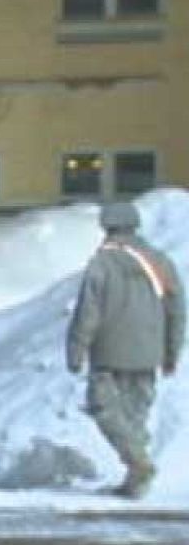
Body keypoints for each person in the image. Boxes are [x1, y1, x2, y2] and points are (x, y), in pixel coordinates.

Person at [66, 201, 183, 499]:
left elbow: (88, 312)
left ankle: (137, 462)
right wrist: (171, 352)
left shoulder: (102, 264)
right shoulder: (160, 262)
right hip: (149, 351)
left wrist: (76, 350)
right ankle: (136, 478)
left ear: (106, 226)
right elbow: (176, 310)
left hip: (109, 350)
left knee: (102, 406)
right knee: (136, 414)